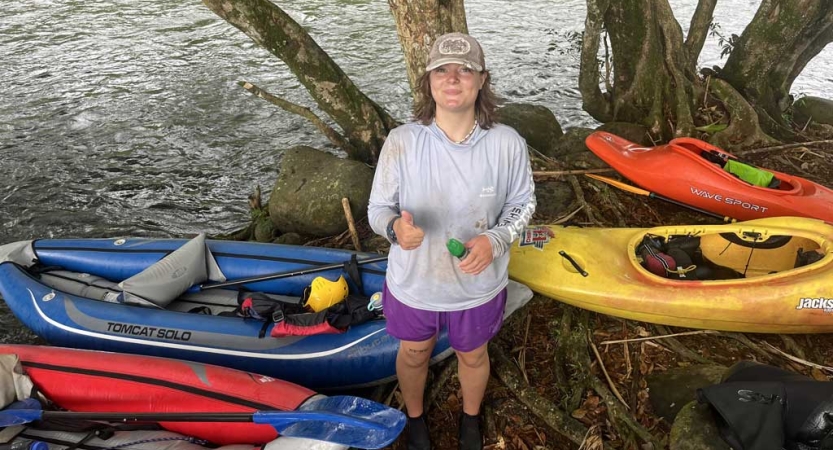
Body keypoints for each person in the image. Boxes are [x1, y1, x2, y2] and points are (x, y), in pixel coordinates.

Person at [368, 32, 536, 450]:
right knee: (412, 354)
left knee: (474, 355)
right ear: (428, 81)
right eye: (442, 69)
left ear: (482, 80)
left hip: (478, 285)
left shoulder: (507, 143)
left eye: (465, 69)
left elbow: (524, 204)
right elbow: (377, 209)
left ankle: (471, 420)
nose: (453, 78)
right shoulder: (403, 141)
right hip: (415, 281)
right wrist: (395, 230)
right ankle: (416, 418)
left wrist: (496, 239)